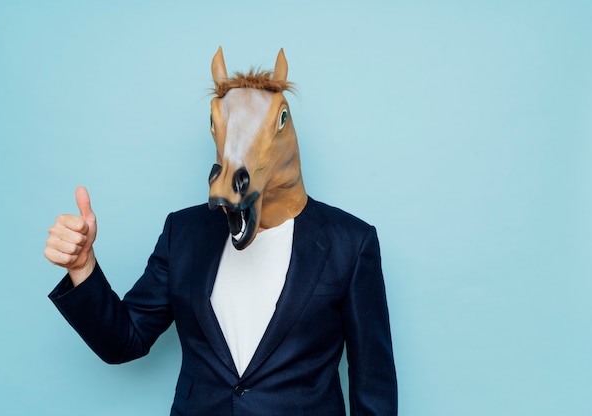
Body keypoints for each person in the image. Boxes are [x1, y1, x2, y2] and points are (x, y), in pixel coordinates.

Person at [45, 48, 397, 416]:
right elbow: (124, 341)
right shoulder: (183, 233)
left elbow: (373, 385)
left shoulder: (350, 244)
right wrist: (82, 267)